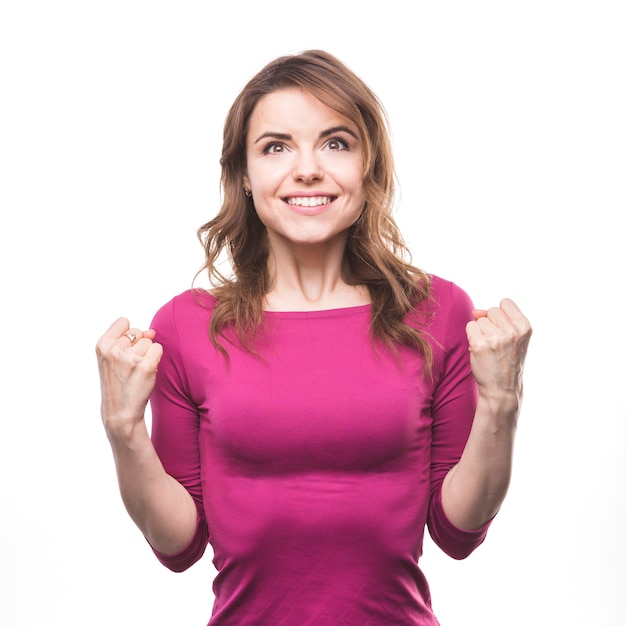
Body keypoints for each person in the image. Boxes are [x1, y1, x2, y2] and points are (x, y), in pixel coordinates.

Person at [96, 50, 532, 625]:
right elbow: (178, 547)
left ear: (368, 168)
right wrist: (123, 429)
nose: (307, 169)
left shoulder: (438, 313)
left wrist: (501, 404)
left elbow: (458, 531)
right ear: (244, 177)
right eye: (276, 146)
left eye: (336, 143)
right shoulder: (185, 326)